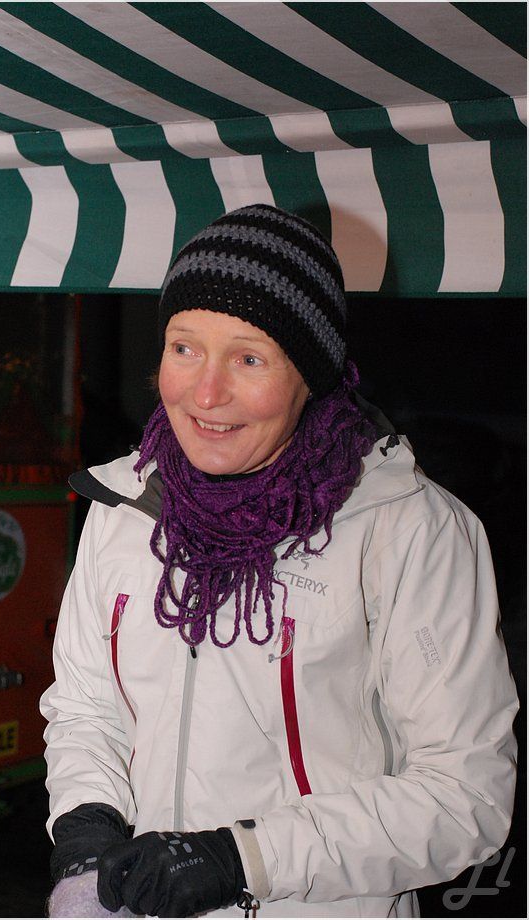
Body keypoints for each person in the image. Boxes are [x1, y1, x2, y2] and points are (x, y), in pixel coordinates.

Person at [41, 205, 518, 918]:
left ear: (311, 374)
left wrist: (247, 859)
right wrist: (86, 829)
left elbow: (465, 795)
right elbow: (87, 711)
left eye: (249, 358)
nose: (206, 393)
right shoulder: (123, 509)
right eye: (184, 348)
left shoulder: (409, 531)